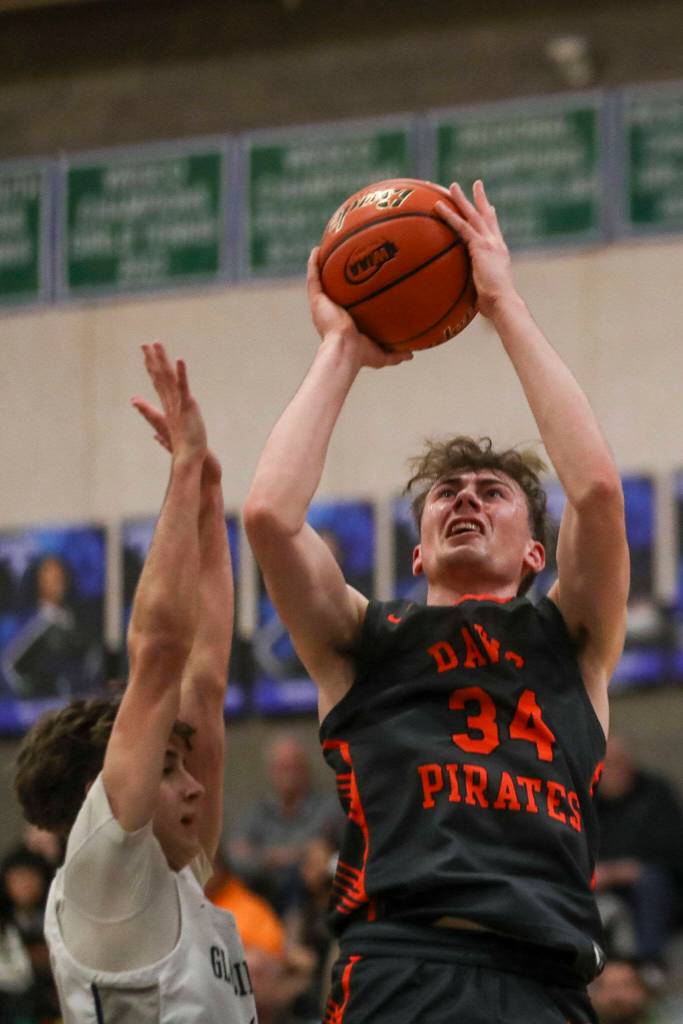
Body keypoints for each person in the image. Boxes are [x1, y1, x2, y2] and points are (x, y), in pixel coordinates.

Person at [244, 180, 630, 1024]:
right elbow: (270, 516)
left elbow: (597, 492)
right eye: (446, 492)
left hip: (545, 978)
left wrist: (503, 304)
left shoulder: (569, 635)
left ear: (537, 551)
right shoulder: (362, 638)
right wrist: (340, 349)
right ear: (416, 550)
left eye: (493, 493)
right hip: (400, 964)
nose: (465, 499)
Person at [14, 343, 256, 1024]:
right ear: (109, 788)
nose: (196, 785)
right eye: (168, 768)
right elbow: (159, 652)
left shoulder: (172, 874)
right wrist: (181, 471)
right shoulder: (107, 877)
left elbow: (202, 681)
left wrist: (209, 503)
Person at [229, 733, 343, 913]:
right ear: (270, 771)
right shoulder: (257, 814)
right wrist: (295, 854)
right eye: (282, 767)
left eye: (294, 767)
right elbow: (237, 859)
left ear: (306, 768)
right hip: (263, 904)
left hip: (316, 905)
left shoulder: (330, 809)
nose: (289, 774)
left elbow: (341, 856)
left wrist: (268, 855)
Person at [594, 734, 683, 965]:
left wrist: (631, 869)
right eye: (608, 766)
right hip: (598, 884)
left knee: (651, 882)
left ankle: (648, 963)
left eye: (621, 762)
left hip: (654, 885)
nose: (616, 772)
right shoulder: (584, 803)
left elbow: (673, 848)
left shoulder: (655, 794)